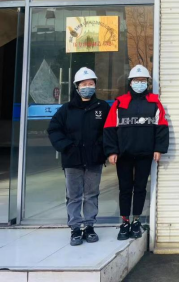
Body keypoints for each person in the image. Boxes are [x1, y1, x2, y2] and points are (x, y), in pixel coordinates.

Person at [103, 64, 169, 241]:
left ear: (147, 82)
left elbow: (161, 127)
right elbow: (109, 128)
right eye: (136, 80)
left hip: (144, 154)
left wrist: (159, 148)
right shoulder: (120, 103)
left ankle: (136, 221)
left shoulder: (154, 103)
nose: (140, 83)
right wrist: (111, 151)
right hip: (123, 154)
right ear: (130, 82)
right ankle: (125, 222)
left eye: (143, 80)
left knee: (140, 188)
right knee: (125, 189)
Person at [47, 67, 110, 246]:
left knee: (91, 194)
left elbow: (109, 131)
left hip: (94, 159)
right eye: (83, 84)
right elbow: (54, 129)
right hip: (72, 159)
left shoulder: (102, 107)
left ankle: (89, 226)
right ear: (77, 87)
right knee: (73, 195)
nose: (87, 87)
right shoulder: (67, 109)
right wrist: (66, 147)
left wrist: (101, 149)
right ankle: (75, 228)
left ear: (95, 86)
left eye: (90, 84)